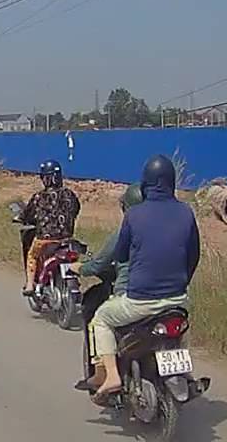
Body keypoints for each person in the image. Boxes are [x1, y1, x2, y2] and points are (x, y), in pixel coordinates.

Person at [90, 154, 201, 402]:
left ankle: (111, 376)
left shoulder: (134, 215)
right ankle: (186, 373)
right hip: (178, 299)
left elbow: (120, 254)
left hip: (140, 301)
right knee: (179, 330)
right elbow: (194, 255)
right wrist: (181, 283)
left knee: (102, 319)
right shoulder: (186, 212)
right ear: (172, 181)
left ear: (145, 183)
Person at [68, 183, 142, 391]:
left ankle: (104, 373)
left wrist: (79, 268)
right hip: (172, 296)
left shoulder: (123, 234)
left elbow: (98, 264)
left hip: (132, 297)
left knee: (99, 320)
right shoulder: (163, 231)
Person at [18, 159, 80, 296]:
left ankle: (30, 285)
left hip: (45, 240)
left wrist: (21, 218)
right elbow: (76, 210)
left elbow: (27, 215)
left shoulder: (39, 197)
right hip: (66, 239)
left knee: (32, 256)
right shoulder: (69, 194)